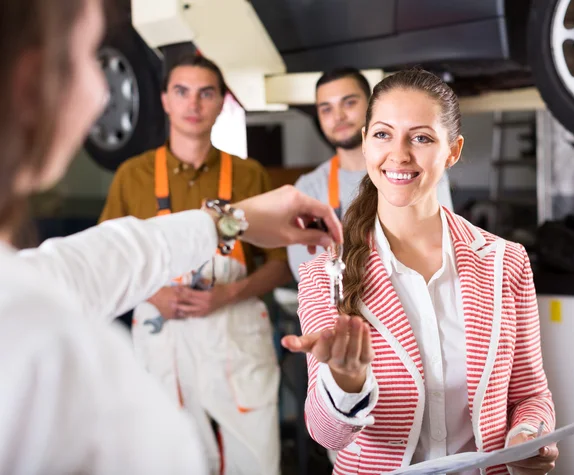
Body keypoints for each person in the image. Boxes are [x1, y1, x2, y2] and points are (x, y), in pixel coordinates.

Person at [0, 1, 342, 473]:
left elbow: (106, 258)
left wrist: (231, 221)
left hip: (232, 339)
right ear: (31, 84)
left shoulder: (29, 287)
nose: (103, 94)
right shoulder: (59, 358)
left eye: (206, 93)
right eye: (88, 58)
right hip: (164, 343)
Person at [282, 68, 559, 475]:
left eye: (421, 137)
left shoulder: (506, 261)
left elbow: (530, 394)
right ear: (364, 141)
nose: (399, 154)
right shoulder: (326, 274)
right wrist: (345, 384)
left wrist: (528, 434)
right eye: (382, 134)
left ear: (453, 150)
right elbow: (327, 435)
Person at [98, 54, 291, 475]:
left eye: (206, 93)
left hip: (235, 335)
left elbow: (280, 264)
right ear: (165, 100)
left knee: (258, 462)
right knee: (172, 461)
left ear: (222, 102)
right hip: (163, 333)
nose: (194, 104)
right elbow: (109, 261)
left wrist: (230, 293)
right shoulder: (132, 175)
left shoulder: (249, 175)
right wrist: (152, 293)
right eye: (182, 92)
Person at [287, 67, 454, 282]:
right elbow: (310, 277)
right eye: (326, 109)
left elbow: (441, 247)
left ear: (370, 107)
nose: (338, 116)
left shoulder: (418, 172)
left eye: (349, 103)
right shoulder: (307, 189)